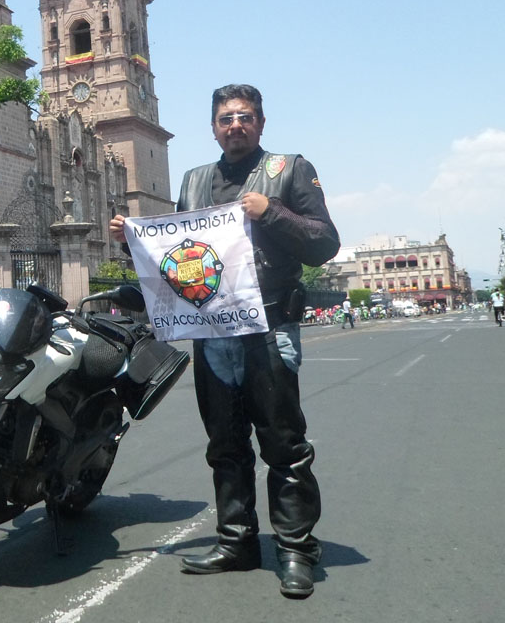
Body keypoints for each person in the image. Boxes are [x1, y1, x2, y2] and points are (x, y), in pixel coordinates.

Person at [110, 84, 339, 599]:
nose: (235, 125)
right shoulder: (193, 181)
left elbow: (325, 242)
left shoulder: (287, 170)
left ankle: (297, 550)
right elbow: (178, 257)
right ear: (213, 127)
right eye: (225, 118)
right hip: (212, 336)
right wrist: (135, 243)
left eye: (245, 117)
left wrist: (270, 212)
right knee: (226, 446)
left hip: (269, 327)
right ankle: (237, 541)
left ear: (260, 123)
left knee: (283, 444)